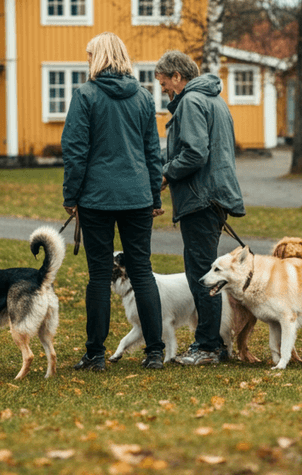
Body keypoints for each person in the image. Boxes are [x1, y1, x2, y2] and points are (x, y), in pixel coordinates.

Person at [62, 32, 166, 371]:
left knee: (98, 275)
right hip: (137, 196)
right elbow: (153, 150)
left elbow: (75, 150)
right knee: (142, 271)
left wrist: (71, 196)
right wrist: (154, 193)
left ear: (99, 57)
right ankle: (154, 352)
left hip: (97, 197)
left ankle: (95, 353)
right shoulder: (143, 97)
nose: (85, 59)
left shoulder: (85, 95)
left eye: (88, 53)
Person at [155, 50, 245, 366]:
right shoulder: (215, 101)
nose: (164, 89)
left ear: (178, 77)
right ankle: (213, 344)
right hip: (214, 196)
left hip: (201, 198)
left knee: (203, 273)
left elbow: (195, 154)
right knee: (205, 269)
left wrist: (166, 173)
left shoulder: (192, 102)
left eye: (165, 83)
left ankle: (207, 346)